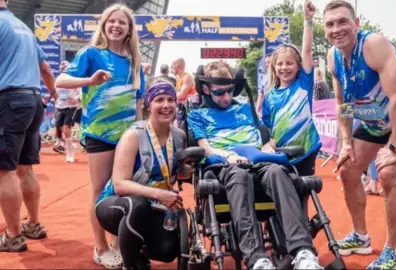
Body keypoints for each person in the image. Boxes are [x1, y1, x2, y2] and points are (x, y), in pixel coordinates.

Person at [187, 60, 321, 270]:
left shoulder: (246, 109)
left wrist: (269, 146)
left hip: (259, 162)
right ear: (205, 89)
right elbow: (206, 149)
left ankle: (303, 251)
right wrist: (228, 156)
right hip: (226, 166)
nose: (226, 97)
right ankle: (257, 259)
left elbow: (266, 137)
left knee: (278, 171)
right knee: (239, 176)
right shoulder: (197, 115)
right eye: (219, 93)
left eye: (230, 91)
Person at [323, 1, 396, 269]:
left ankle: (391, 252)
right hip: (370, 123)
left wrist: (393, 148)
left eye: (343, 21)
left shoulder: (374, 45)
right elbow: (342, 104)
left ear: (356, 24)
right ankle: (360, 236)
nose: (337, 29)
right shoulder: (333, 57)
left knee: (390, 175)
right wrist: (346, 143)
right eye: (330, 24)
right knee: (347, 169)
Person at [56, 3, 145, 268]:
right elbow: (61, 80)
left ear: (129, 30)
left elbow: (139, 104)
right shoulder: (91, 54)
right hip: (99, 134)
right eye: (111, 21)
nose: (116, 26)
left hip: (129, 137)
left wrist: (141, 134)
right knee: (99, 190)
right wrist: (89, 81)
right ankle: (100, 247)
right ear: (104, 26)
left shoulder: (135, 63)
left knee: (123, 191)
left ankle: (119, 244)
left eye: (122, 22)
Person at [96, 81, 190, 270]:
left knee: (167, 250)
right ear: (149, 105)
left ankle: (138, 251)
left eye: (171, 99)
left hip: (156, 206)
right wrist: (158, 194)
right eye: (159, 100)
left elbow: (178, 172)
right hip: (116, 203)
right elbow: (120, 184)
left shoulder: (179, 136)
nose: (166, 105)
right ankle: (129, 265)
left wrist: (191, 168)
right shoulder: (134, 135)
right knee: (137, 205)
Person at [0, 0, 57, 252]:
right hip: (33, 100)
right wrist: (54, 94)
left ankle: (12, 235)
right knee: (26, 168)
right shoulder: (22, 26)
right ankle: (33, 224)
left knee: (5, 171)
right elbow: (45, 69)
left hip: (10, 100)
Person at [262, 1, 321, 176]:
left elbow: (307, 51)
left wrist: (308, 21)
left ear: (298, 66)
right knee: (283, 193)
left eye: (289, 63)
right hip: (281, 154)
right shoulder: (269, 96)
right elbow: (269, 129)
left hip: (306, 150)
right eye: (280, 64)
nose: (284, 67)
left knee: (303, 192)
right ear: (273, 67)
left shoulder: (303, 84)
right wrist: (268, 144)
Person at [53, 61, 81, 163]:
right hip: (60, 107)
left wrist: (76, 99)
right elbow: (57, 92)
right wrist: (55, 98)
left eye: (64, 68)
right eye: (61, 69)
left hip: (71, 108)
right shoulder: (58, 79)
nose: (62, 70)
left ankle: (70, 153)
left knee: (66, 129)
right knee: (59, 131)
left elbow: (81, 92)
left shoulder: (74, 79)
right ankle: (70, 145)